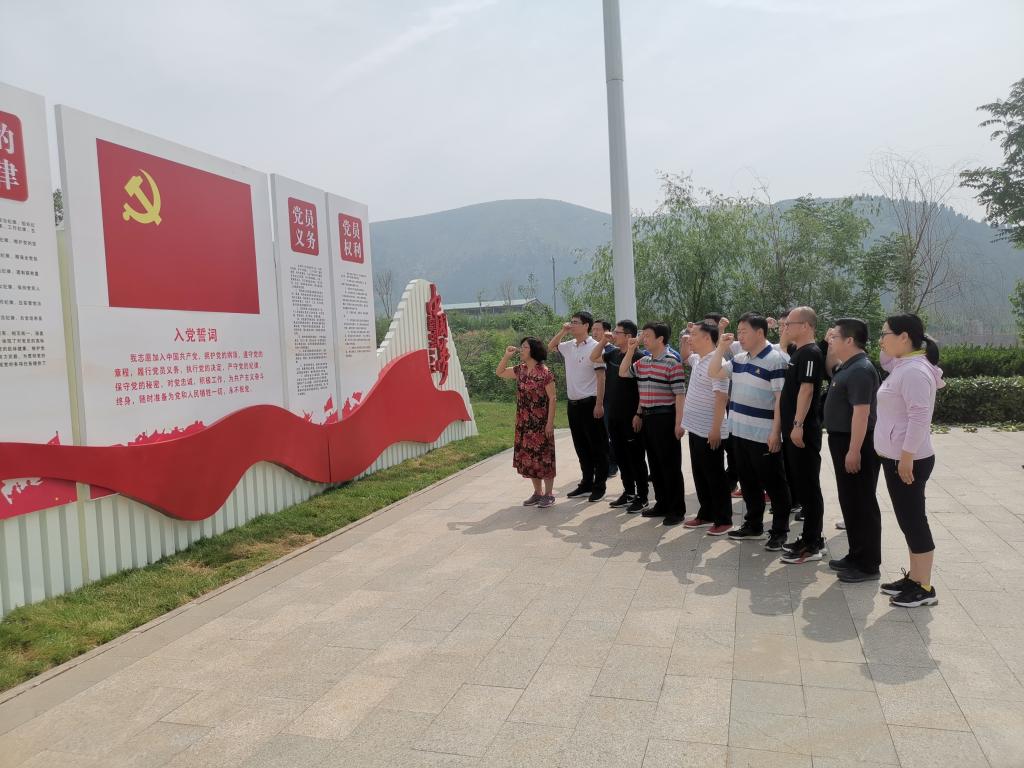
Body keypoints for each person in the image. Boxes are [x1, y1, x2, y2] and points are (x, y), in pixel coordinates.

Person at [875, 314, 944, 607]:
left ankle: (924, 587)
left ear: (904, 337)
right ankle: (915, 579)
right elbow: (884, 359)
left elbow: (919, 417)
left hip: (908, 460)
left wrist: (906, 457)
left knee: (914, 520)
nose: (881, 340)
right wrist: (887, 343)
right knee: (907, 519)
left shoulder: (914, 371)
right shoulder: (903, 364)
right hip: (898, 457)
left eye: (885, 334)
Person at [709, 313, 793, 550]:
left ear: (760, 332)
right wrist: (720, 348)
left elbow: (780, 400)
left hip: (763, 434)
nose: (740, 336)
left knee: (774, 484)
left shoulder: (776, 360)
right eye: (738, 332)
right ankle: (753, 524)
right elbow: (713, 372)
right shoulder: (739, 359)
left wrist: (776, 433)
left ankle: (779, 531)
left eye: (744, 331)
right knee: (748, 482)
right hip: (739, 432)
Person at [823, 319, 882, 581]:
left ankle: (868, 565)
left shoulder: (861, 370)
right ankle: (855, 555)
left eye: (834, 337)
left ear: (849, 340)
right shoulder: (848, 366)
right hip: (842, 440)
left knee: (862, 503)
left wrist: (854, 450)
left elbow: (861, 413)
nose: (830, 340)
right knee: (850, 501)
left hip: (856, 442)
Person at [619, 322, 687, 525]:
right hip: (648, 418)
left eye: (647, 336)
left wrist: (679, 423)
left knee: (670, 465)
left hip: (665, 417)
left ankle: (676, 509)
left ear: (660, 339)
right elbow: (623, 372)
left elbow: (679, 394)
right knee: (655, 464)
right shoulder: (643, 361)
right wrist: (630, 350)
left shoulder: (672, 362)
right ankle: (662, 503)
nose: (643, 339)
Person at [778, 307, 827, 564]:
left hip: (803, 432)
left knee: (808, 486)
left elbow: (806, 391)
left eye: (790, 323)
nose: (785, 327)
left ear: (806, 326)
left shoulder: (810, 353)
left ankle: (813, 542)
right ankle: (809, 536)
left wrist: (797, 424)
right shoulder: (798, 352)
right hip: (792, 430)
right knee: (801, 484)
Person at [678, 321, 733, 535]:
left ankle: (723, 519)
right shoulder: (698, 359)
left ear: (707, 338)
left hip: (710, 430)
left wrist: (716, 429)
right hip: (695, 428)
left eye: (694, 335)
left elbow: (721, 398)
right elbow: (684, 356)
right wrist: (684, 340)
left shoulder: (716, 363)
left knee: (715, 476)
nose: (690, 338)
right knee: (700, 474)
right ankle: (706, 513)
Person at [548, 311, 609, 502]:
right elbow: (551, 346)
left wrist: (599, 404)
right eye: (571, 322)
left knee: (597, 446)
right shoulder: (569, 346)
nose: (571, 325)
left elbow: (601, 378)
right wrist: (563, 331)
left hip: (590, 402)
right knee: (581, 446)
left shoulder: (595, 347)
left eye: (575, 322)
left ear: (586, 326)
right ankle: (586, 483)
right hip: (573, 404)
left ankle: (599, 486)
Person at [591, 320, 650, 512]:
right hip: (614, 414)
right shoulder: (613, 354)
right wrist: (603, 341)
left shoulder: (640, 357)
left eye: (617, 333)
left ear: (629, 336)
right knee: (621, 456)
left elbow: (643, 388)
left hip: (631, 416)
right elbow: (593, 357)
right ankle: (629, 492)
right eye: (614, 332)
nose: (613, 335)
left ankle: (642, 496)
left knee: (636, 457)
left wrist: (639, 413)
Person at [497, 337, 557, 508]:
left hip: (541, 422)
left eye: (525, 347)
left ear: (533, 350)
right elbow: (500, 372)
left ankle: (549, 494)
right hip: (524, 422)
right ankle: (537, 493)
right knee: (529, 457)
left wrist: (549, 423)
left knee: (544, 457)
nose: (521, 350)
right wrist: (506, 356)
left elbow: (553, 398)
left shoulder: (545, 373)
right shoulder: (520, 370)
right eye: (521, 347)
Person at [592, 319, 619, 479]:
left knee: (610, 433)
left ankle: (613, 464)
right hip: (594, 398)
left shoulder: (612, 351)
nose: (594, 332)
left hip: (609, 398)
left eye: (598, 329)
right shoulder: (593, 349)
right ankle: (603, 463)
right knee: (599, 434)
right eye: (593, 329)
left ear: (607, 331)